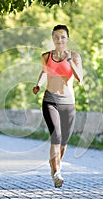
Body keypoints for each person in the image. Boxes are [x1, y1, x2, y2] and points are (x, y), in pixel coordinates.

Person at [32, 25, 83, 188]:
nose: (59, 40)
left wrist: (69, 61)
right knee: (56, 136)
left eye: (62, 37)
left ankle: (54, 164)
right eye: (56, 37)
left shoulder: (75, 56)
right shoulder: (46, 56)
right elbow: (44, 73)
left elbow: (80, 78)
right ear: (52, 39)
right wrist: (38, 84)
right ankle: (57, 173)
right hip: (50, 100)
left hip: (68, 102)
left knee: (64, 142)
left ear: (67, 39)